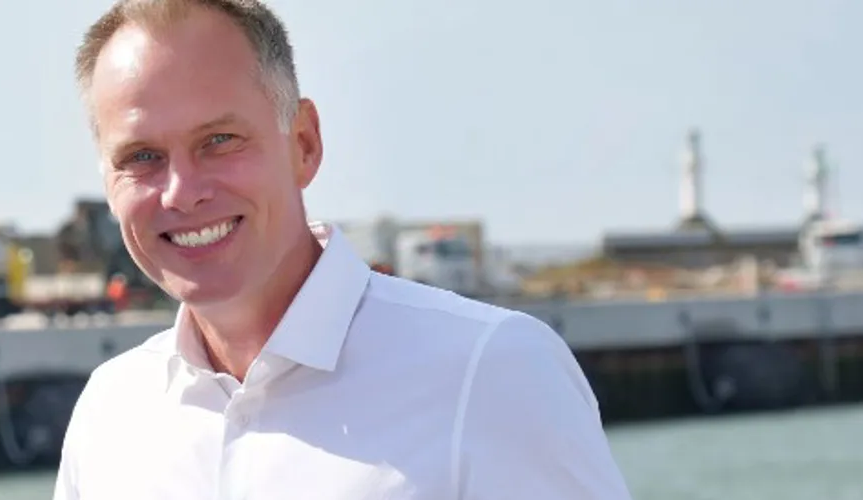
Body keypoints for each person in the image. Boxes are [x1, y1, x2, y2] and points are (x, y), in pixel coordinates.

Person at [51, 1, 633, 498]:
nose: (181, 192)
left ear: (303, 144)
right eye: (141, 157)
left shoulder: (492, 371)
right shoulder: (112, 411)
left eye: (219, 141)